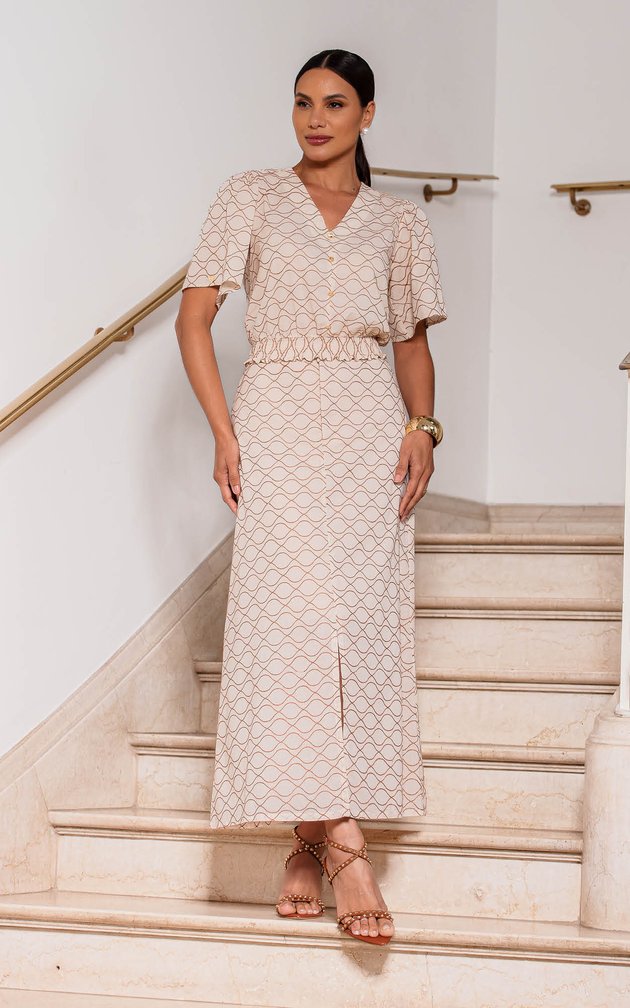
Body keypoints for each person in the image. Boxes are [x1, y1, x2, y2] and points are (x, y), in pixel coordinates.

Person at [175, 48, 447, 948]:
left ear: (368, 114)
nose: (315, 119)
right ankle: (346, 849)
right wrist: (225, 433)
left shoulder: (399, 222)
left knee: (355, 628)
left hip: (370, 425)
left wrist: (423, 426)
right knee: (288, 623)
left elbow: (410, 342)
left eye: (334, 103)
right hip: (277, 418)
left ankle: (305, 843)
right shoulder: (249, 196)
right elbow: (194, 318)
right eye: (302, 103)